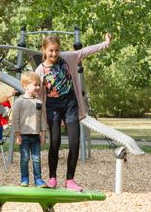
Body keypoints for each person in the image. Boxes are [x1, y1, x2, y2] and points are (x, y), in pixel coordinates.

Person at [35, 33, 112, 192]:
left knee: (75, 142)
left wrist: (105, 43)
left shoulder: (68, 58)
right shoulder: (40, 70)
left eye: (57, 50)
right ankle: (52, 178)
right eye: (51, 51)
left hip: (70, 105)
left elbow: (86, 51)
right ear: (44, 50)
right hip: (53, 107)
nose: (54, 54)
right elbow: (34, 92)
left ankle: (70, 179)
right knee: (55, 142)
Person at [12, 71, 47, 187]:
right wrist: (17, 134)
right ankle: (24, 179)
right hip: (24, 135)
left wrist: (43, 133)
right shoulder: (19, 102)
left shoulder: (39, 102)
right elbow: (15, 119)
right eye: (35, 85)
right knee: (25, 158)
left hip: (36, 136)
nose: (37, 87)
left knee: (37, 159)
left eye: (38, 85)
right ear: (25, 86)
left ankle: (38, 179)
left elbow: (42, 118)